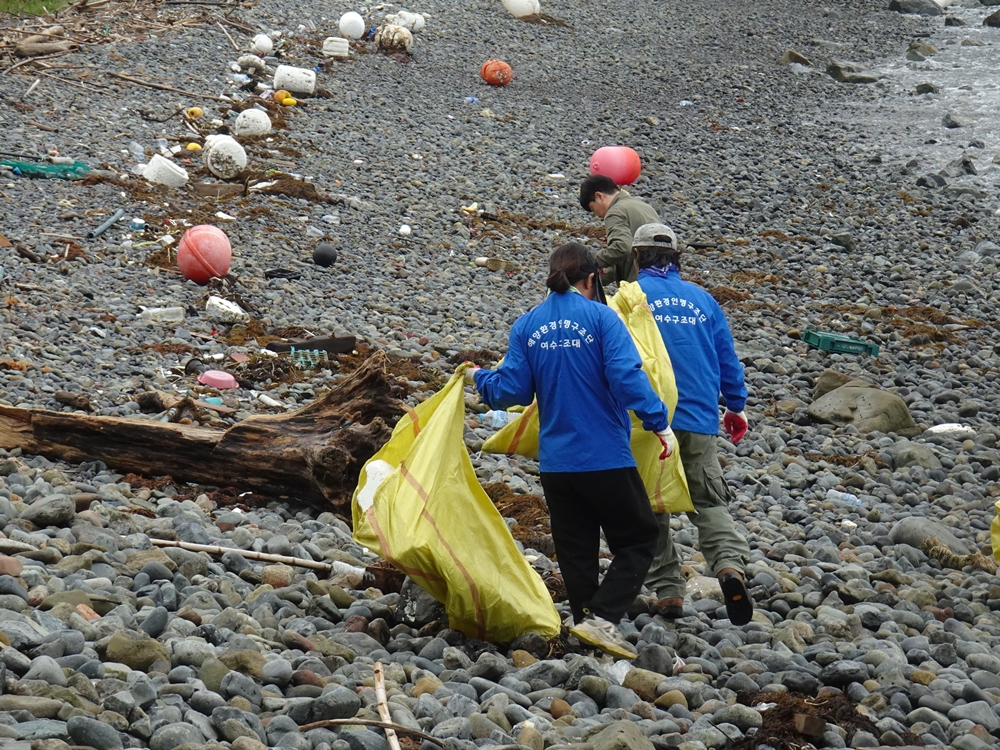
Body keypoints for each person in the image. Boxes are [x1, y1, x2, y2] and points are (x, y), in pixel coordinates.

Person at [466, 242, 675, 659]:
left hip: (558, 464)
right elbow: (625, 377)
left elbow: (512, 390)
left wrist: (477, 376)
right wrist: (659, 422)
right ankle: (601, 619)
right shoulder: (602, 317)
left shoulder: (527, 325)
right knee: (638, 538)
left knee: (576, 550)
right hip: (605, 457)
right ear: (593, 277)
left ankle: (585, 631)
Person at [630, 223, 754, 626]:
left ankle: (668, 593)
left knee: (652, 505)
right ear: (677, 259)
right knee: (710, 501)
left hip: (649, 421)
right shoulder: (703, 301)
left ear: (636, 258)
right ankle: (728, 568)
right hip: (699, 417)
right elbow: (727, 360)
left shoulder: (629, 299)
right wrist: (735, 406)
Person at [579, 174, 660, 285]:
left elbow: (622, 248)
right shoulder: (644, 206)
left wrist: (592, 263)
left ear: (599, 196)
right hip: (662, 276)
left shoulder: (614, 213)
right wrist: (596, 280)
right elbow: (625, 257)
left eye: (593, 209)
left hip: (639, 284)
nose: (597, 215)